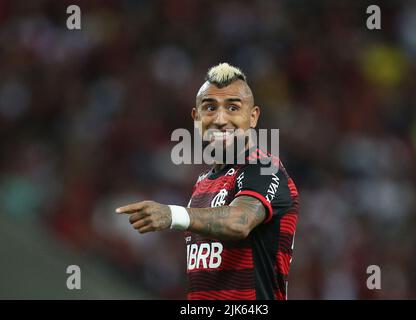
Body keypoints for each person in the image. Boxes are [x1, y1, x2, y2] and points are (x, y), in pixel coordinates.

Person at [116, 63, 300, 300]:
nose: (221, 119)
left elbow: (239, 221)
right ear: (196, 117)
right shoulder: (203, 182)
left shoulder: (265, 169)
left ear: (253, 117)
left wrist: (173, 215)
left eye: (233, 107)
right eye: (210, 107)